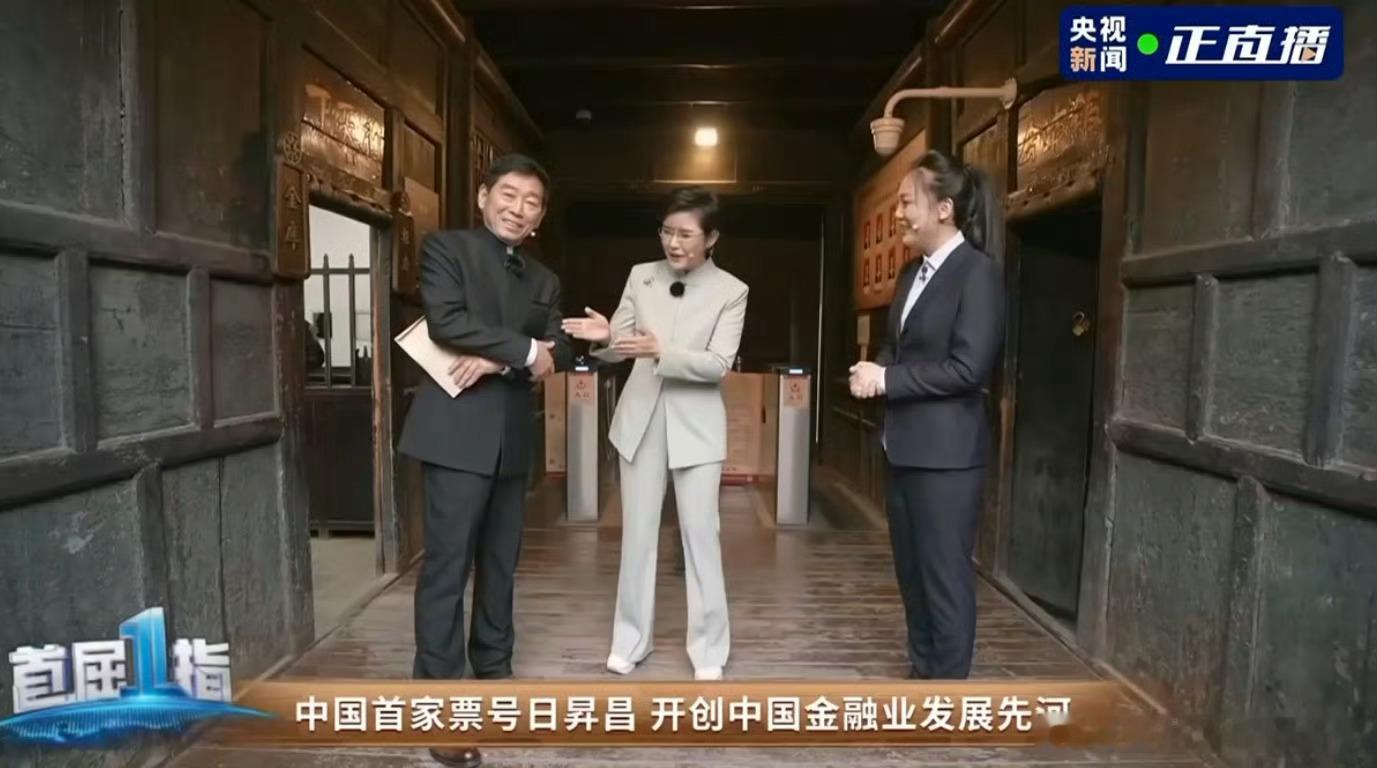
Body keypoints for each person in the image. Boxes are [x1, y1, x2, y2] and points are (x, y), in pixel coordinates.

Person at [397, 153, 572, 767]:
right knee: (447, 569)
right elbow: (446, 322)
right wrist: (524, 351)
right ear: (483, 196)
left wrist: (501, 360)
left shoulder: (544, 279)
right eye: (509, 195)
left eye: (532, 202)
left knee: (500, 565)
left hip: (510, 439)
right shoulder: (446, 249)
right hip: (454, 433)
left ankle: (495, 671)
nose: (518, 209)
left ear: (540, 216)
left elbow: (558, 348)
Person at [562, 186, 748, 681]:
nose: (673, 243)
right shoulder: (640, 276)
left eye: (686, 234)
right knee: (637, 535)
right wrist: (607, 338)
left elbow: (717, 364)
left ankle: (709, 649)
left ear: (711, 238)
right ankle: (631, 639)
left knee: (700, 536)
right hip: (641, 419)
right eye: (667, 231)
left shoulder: (732, 290)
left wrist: (661, 352)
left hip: (697, 426)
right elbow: (623, 344)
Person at [848, 149, 1006, 681]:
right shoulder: (911, 273)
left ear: (944, 209)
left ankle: (948, 693)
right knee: (912, 578)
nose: (898, 214)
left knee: (944, 581)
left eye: (906, 203)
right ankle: (922, 675)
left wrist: (888, 380)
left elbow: (968, 368)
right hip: (902, 447)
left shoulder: (977, 274)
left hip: (947, 459)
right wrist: (874, 368)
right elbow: (899, 347)